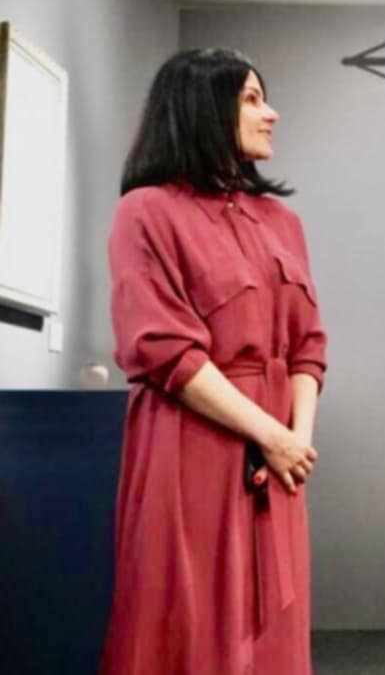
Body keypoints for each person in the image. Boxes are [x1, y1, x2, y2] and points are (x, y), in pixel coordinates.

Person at [99, 48, 327, 675]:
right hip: (192, 445)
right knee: (191, 618)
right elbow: (163, 348)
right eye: (252, 99)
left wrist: (295, 443)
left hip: (280, 458)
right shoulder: (146, 211)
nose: (271, 113)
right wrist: (272, 435)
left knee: (274, 632)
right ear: (202, 108)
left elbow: (308, 345)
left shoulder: (282, 222)